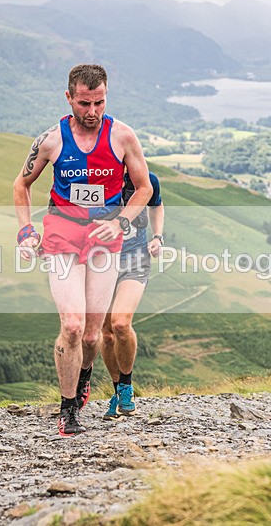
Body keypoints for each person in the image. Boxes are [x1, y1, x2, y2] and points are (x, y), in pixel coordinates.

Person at [12, 64, 152, 436]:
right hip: (61, 233)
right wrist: (26, 230)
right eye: (84, 103)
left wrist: (121, 222)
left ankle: (85, 373)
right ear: (69, 97)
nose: (92, 112)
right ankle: (68, 407)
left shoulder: (122, 136)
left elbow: (144, 188)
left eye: (100, 103)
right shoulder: (51, 140)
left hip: (106, 238)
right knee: (72, 326)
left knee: (92, 336)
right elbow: (21, 185)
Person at [100, 171, 163, 419]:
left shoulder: (146, 179)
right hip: (99, 262)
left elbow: (157, 205)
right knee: (105, 334)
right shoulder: (96, 176)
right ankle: (117, 391)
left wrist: (157, 237)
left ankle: (126, 385)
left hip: (135, 261)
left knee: (120, 323)